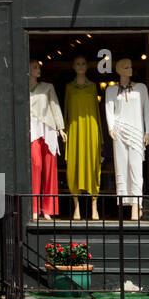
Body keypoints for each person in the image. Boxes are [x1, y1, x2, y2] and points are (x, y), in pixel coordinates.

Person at [105, 58, 149, 220]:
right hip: (119, 131)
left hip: (136, 131)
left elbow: (147, 110)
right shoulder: (111, 90)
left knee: (135, 168)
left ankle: (136, 205)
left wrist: (148, 131)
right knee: (121, 169)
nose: (130, 69)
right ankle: (124, 205)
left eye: (131, 66)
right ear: (118, 70)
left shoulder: (141, 88)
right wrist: (111, 128)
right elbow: (109, 110)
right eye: (126, 67)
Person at [64, 55, 102, 219]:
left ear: (87, 66)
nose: (80, 66)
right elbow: (66, 110)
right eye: (78, 63)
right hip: (74, 128)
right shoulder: (69, 87)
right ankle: (76, 206)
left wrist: (100, 136)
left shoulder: (93, 86)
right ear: (73, 66)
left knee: (92, 166)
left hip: (91, 128)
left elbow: (97, 112)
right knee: (74, 166)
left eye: (83, 63)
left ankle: (94, 206)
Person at [30, 58, 64, 219]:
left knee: (50, 168)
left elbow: (54, 106)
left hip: (48, 128)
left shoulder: (47, 87)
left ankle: (48, 209)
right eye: (35, 67)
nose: (39, 69)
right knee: (36, 166)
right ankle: (35, 207)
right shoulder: (22, 88)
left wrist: (60, 128)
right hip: (32, 129)